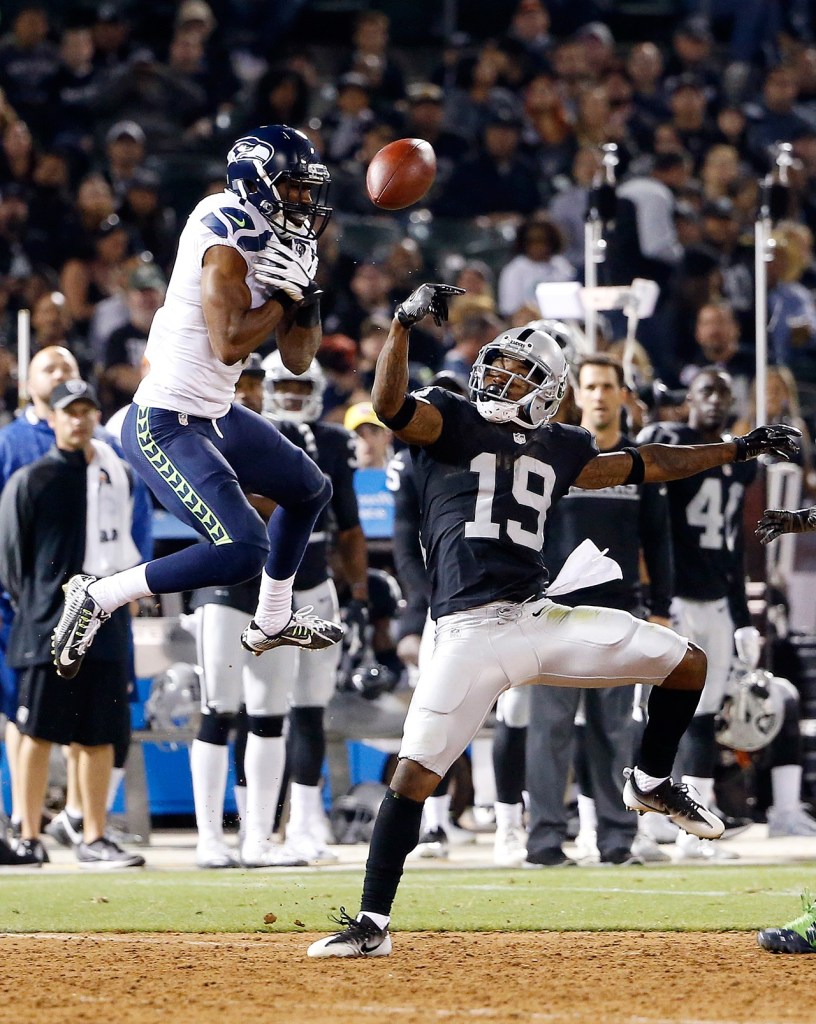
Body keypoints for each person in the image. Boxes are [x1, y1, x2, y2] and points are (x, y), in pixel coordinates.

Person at [307, 283, 799, 959]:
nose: (500, 378)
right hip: (466, 634)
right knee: (414, 778)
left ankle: (651, 780)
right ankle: (372, 924)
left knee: (687, 662)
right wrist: (400, 325)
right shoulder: (449, 418)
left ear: (546, 391)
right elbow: (391, 405)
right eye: (498, 366)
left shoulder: (562, 444)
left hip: (538, 616)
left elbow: (646, 464)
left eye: (520, 372)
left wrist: (736, 449)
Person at [50, 125, 345, 682]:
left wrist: (303, 302)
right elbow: (229, 342)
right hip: (164, 421)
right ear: (257, 184)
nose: (305, 199)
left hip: (215, 412)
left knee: (310, 490)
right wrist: (284, 299)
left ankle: (272, 619)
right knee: (243, 548)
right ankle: (100, 594)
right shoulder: (224, 229)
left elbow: (298, 359)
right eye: (294, 186)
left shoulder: (290, 237)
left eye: (309, 187)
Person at [188, 351, 366, 868]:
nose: (246, 393)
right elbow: (247, 503)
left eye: (250, 383)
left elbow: (332, 514)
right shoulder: (209, 433)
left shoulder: (303, 440)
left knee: (270, 714)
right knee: (219, 708)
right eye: (238, 384)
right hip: (227, 584)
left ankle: (259, 838)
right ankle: (209, 837)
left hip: (280, 587)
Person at [524, 354, 674, 868]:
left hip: (619, 615)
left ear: (622, 394)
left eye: (608, 386)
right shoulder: (553, 456)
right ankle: (543, 842)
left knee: (615, 734)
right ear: (578, 394)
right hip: (553, 615)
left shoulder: (638, 462)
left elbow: (658, 540)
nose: (599, 395)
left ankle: (617, 840)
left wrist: (661, 607)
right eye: (590, 386)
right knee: (549, 731)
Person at [0, 380, 145, 869]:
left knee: (100, 733)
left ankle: (94, 835)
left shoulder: (117, 475)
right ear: (53, 418)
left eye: (87, 410)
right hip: (46, 624)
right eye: (70, 411)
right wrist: (41, 608)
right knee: (36, 731)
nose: (79, 420)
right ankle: (28, 835)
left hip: (105, 621)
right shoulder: (31, 480)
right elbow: (12, 562)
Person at [637, 368, 758, 860]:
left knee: (705, 714)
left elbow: (735, 543)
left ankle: (696, 829)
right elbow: (654, 443)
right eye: (706, 391)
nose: (715, 400)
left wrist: (743, 615)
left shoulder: (739, 462)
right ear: (689, 398)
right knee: (660, 709)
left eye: (723, 393)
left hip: (717, 598)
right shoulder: (676, 444)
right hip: (677, 599)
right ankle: (648, 817)